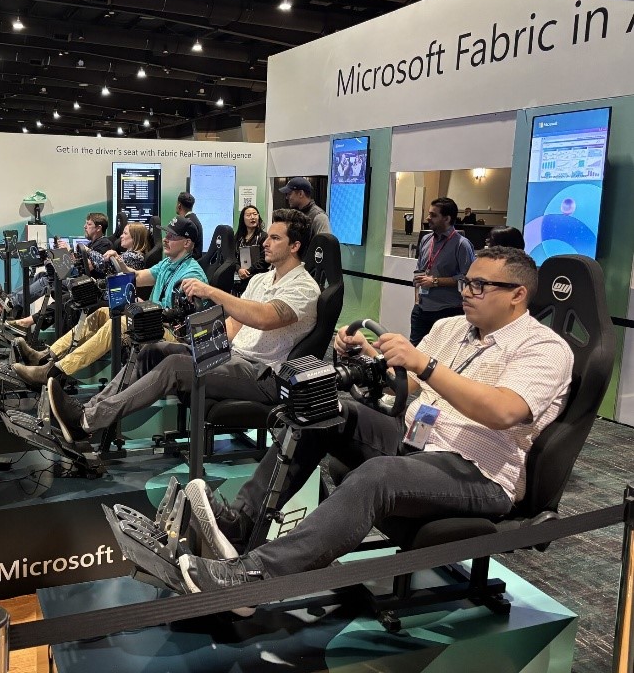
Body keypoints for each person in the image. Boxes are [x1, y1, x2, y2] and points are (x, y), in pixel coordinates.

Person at [176, 246, 574, 596]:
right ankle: (241, 522)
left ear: (517, 295)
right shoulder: (451, 327)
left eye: (480, 286)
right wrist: (367, 353)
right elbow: (410, 383)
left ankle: (257, 576)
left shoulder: (544, 348)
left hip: (480, 473)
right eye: (466, 283)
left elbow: (503, 411)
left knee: (379, 475)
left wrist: (425, 364)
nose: (467, 292)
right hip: (416, 440)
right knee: (325, 408)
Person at [46, 208, 320, 446]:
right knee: (152, 351)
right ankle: (88, 409)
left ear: (294, 246)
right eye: (268, 236)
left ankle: (85, 421)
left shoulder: (304, 287)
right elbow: (234, 324)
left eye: (275, 238)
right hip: (232, 357)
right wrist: (198, 346)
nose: (266, 242)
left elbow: (264, 317)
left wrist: (211, 292)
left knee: (175, 365)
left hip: (263, 375)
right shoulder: (261, 280)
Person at [12, 223, 174, 385]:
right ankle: (46, 356)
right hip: (151, 317)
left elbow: (176, 316)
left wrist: (148, 307)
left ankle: (54, 371)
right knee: (101, 312)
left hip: (166, 329)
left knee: (117, 322)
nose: (165, 239)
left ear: (186, 242)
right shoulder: (166, 264)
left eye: (172, 236)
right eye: (166, 235)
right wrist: (120, 262)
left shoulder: (186, 272)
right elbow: (136, 276)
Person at [8, 212, 112, 313]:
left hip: (88, 286)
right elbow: (77, 262)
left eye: (89, 224)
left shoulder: (104, 244)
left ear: (98, 228)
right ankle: (10, 297)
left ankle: (12, 303)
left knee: (48, 280)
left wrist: (69, 251)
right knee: (41, 275)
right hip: (79, 279)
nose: (85, 226)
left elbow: (89, 266)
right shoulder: (90, 244)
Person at [410, 197, 475, 346]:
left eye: (433, 215)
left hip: (447, 311)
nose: (428, 218)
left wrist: (435, 282)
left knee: (441, 354)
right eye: (429, 214)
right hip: (421, 309)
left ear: (447, 218)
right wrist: (417, 301)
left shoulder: (462, 245)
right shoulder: (426, 239)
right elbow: (419, 270)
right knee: (414, 351)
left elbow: (468, 279)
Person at [234, 205, 268, 292]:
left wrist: (248, 271)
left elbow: (265, 260)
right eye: (248, 215)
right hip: (240, 278)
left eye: (255, 214)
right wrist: (239, 269)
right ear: (243, 219)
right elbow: (233, 257)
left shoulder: (263, 237)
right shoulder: (238, 238)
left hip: (258, 278)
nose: (252, 217)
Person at [176, 192, 203, 260]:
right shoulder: (193, 219)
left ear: (179, 206)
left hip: (188, 262)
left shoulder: (187, 223)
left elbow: (184, 249)